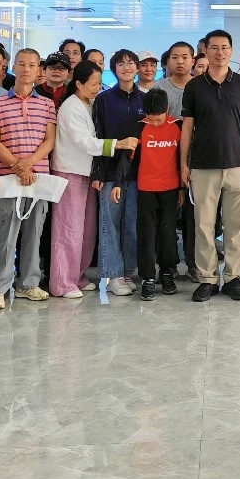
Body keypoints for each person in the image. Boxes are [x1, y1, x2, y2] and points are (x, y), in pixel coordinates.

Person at [181, 29, 240, 302]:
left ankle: (234, 277)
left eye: (225, 47)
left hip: (237, 165)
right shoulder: (194, 86)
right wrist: (184, 164)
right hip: (202, 166)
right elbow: (187, 129)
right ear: (206, 51)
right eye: (214, 47)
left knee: (235, 226)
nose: (220, 52)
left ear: (231, 51)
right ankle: (207, 279)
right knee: (204, 225)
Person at [0, 48, 58, 309]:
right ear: (13, 67)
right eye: (22, 64)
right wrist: (18, 166)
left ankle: (29, 284)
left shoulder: (47, 104)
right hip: (8, 178)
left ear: (39, 70)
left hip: (38, 178)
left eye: (32, 65)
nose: (27, 69)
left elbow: (50, 140)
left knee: (34, 234)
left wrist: (28, 164)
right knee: (4, 236)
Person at [51, 61, 130, 298]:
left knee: (86, 230)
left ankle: (78, 276)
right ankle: (62, 283)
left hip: (89, 173)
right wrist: (117, 144)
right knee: (69, 229)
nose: (97, 88)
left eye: (99, 83)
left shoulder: (90, 103)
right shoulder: (71, 107)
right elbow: (84, 141)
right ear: (78, 83)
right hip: (70, 172)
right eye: (93, 84)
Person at [92, 49, 145, 296]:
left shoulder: (144, 99)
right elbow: (98, 135)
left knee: (132, 223)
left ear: (137, 68)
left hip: (138, 172)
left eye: (131, 63)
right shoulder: (104, 100)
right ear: (114, 69)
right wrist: (99, 174)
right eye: (121, 63)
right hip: (110, 172)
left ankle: (128, 271)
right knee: (110, 224)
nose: (127, 67)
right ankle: (113, 275)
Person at [134, 88, 183, 300]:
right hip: (146, 189)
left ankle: (167, 272)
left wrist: (182, 188)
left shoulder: (177, 126)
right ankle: (147, 278)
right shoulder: (139, 127)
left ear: (167, 109)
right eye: (151, 119)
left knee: (168, 234)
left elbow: (182, 159)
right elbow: (129, 158)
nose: (154, 123)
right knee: (147, 235)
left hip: (171, 189)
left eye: (159, 119)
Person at [156, 41, 197, 277]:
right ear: (168, 61)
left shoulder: (201, 86)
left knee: (194, 216)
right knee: (167, 216)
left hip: (196, 160)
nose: (180, 62)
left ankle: (193, 263)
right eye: (175, 57)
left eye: (184, 57)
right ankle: (168, 265)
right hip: (165, 161)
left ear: (193, 60)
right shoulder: (158, 89)